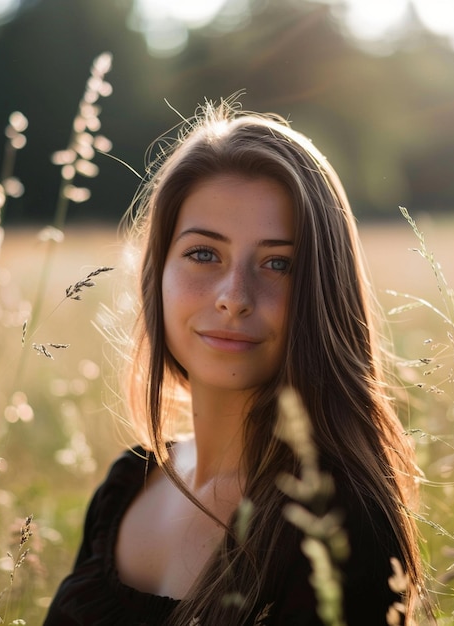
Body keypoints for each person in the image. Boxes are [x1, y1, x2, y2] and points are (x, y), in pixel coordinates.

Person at [44, 101, 430, 625]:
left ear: (323, 292)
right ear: (158, 274)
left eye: (278, 263)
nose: (234, 296)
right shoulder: (128, 483)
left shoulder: (339, 525)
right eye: (204, 253)